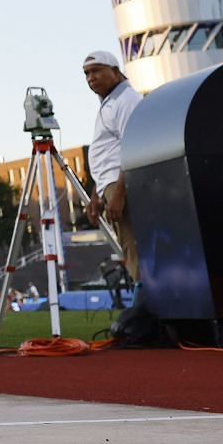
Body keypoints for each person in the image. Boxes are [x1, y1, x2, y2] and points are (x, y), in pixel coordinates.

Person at [81, 50, 142, 280]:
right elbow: (108, 153)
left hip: (120, 185)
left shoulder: (126, 101)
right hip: (109, 185)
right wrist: (96, 194)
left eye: (96, 71)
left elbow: (132, 147)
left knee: (133, 247)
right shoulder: (109, 102)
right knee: (128, 248)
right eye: (87, 74)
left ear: (115, 72)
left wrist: (118, 193)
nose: (91, 78)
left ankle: (146, 304)